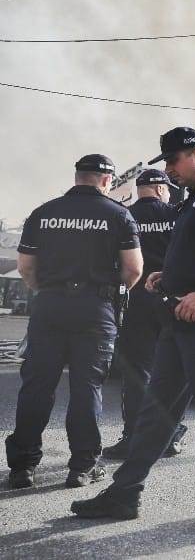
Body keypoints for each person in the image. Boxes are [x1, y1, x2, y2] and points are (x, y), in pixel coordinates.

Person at [72, 127, 195, 530]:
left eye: (174, 161)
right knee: (156, 410)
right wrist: (169, 275)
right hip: (180, 319)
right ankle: (125, 494)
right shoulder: (192, 200)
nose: (170, 170)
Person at [6, 154, 143, 489]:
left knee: (37, 387)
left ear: (78, 176)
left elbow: (25, 268)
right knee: (87, 389)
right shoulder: (119, 215)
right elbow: (134, 269)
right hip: (95, 309)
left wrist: (49, 290)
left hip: (49, 306)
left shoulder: (44, 213)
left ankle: (23, 467)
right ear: (108, 180)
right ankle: (81, 468)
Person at [104, 169, 188, 460]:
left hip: (137, 301)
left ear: (139, 190)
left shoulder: (124, 216)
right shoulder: (178, 214)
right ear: (161, 188)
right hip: (173, 301)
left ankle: (133, 438)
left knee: (137, 371)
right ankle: (172, 436)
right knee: (173, 372)